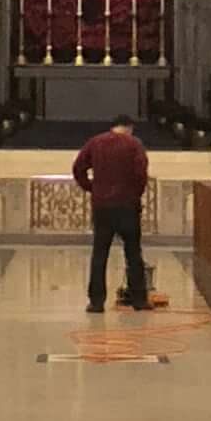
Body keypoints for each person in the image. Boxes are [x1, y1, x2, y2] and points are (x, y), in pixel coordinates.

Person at [72, 116, 154, 314]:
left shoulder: (96, 142)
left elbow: (78, 168)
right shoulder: (134, 144)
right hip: (127, 206)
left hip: (102, 207)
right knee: (133, 253)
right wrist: (134, 195)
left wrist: (92, 188)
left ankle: (96, 302)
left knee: (100, 253)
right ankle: (139, 300)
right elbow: (140, 174)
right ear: (129, 128)